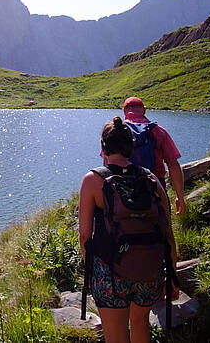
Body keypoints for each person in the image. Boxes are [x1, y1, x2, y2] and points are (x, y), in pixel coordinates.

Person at [80, 117, 178, 343]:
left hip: (110, 273)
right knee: (140, 323)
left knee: (116, 337)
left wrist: (95, 274)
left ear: (103, 147)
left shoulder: (93, 180)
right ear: (130, 147)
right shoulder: (151, 178)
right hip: (149, 270)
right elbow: (167, 231)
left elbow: (85, 236)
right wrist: (171, 274)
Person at [116, 97, 187, 215]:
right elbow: (173, 164)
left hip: (124, 191)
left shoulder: (115, 132)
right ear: (144, 110)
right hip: (156, 189)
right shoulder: (157, 131)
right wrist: (180, 197)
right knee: (162, 228)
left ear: (124, 112)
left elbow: (107, 165)